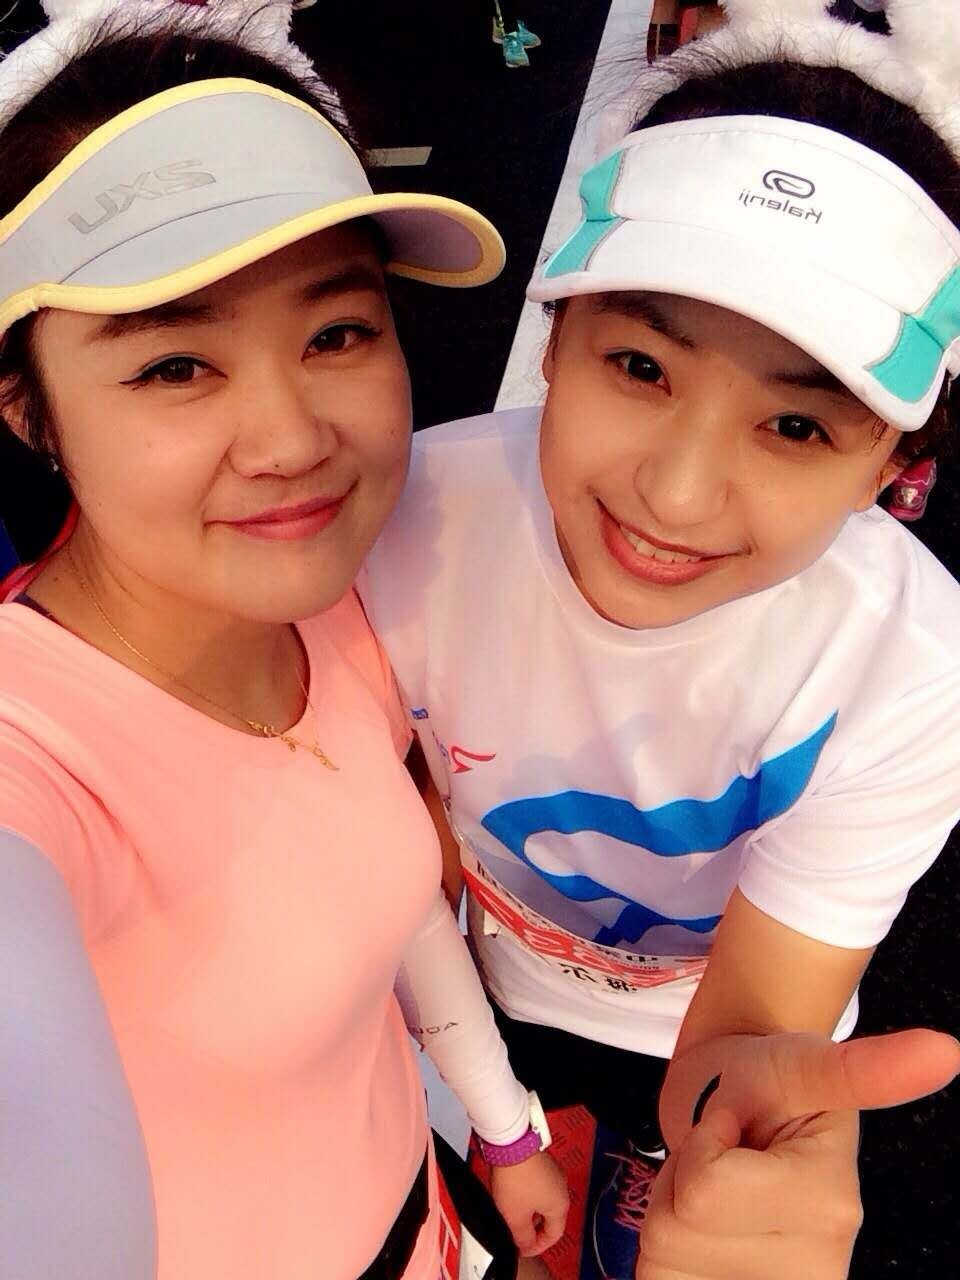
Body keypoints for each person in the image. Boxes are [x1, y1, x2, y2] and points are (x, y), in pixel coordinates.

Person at [360, 1, 960, 1276]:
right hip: (492, 973)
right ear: (556, 335)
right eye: (640, 366)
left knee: (667, 1136)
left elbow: (753, 1027)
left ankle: (643, 1161)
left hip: (696, 1012)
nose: (676, 497)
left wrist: (743, 1140)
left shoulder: (911, 670)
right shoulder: (404, 525)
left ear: (889, 467)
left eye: (795, 427)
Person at [0, 2, 569, 1277]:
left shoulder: (334, 597)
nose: (293, 439)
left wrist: (501, 1121)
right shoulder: (31, 758)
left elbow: (382, 898)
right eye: (174, 365)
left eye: (336, 333)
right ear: (28, 408)